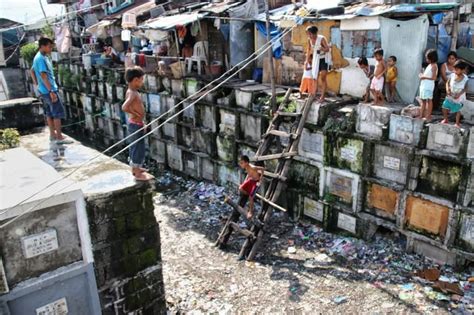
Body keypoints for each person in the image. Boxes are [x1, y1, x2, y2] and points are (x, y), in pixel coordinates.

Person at [30, 37, 71, 145]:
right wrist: (51, 91)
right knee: (57, 113)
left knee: (49, 113)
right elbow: (43, 75)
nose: (50, 49)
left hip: (44, 90)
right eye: (49, 47)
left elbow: (32, 71)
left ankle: (53, 135)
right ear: (42, 46)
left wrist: (37, 85)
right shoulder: (41, 59)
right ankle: (59, 137)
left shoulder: (39, 57)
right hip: (49, 90)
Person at [122, 66, 154, 181]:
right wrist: (135, 113)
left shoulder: (131, 91)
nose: (142, 82)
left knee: (138, 147)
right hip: (135, 124)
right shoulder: (133, 93)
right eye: (141, 79)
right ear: (136, 80)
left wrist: (141, 120)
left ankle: (138, 168)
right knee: (137, 148)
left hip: (137, 124)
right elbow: (124, 107)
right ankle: (136, 172)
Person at [304, 25, 330, 102]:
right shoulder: (309, 40)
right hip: (316, 58)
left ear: (315, 33)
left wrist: (321, 48)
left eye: (310, 34)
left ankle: (322, 96)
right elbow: (308, 50)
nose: (309, 35)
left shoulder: (321, 39)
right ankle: (313, 95)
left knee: (323, 77)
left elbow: (327, 49)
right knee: (315, 77)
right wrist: (306, 61)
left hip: (323, 59)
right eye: (308, 34)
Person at [441, 60, 469, 127]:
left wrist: (459, 94)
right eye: (454, 69)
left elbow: (465, 88)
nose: (455, 71)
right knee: (444, 106)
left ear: (462, 70)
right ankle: (445, 119)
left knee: (458, 110)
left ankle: (457, 123)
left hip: (459, 97)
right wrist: (448, 90)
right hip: (450, 95)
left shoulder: (465, 78)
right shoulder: (452, 75)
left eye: (457, 69)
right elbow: (447, 83)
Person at [418, 49, 439, 121]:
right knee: (423, 101)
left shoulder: (434, 66)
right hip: (424, 85)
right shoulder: (430, 65)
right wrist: (422, 75)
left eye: (427, 58)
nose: (426, 59)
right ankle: (421, 115)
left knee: (429, 100)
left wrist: (423, 77)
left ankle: (428, 115)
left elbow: (434, 77)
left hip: (428, 86)